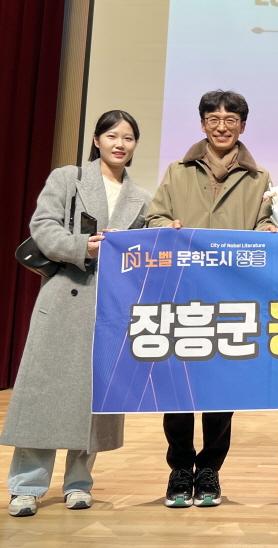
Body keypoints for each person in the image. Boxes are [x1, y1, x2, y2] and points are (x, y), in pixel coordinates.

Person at [0, 110, 151, 517]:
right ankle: (26, 486)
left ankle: (79, 483)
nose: (120, 144)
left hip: (111, 305)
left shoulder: (141, 198)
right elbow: (43, 226)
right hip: (65, 297)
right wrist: (84, 247)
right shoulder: (68, 178)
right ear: (97, 140)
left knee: (94, 397)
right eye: (112, 135)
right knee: (44, 393)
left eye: (129, 138)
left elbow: (145, 250)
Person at [146, 90, 277, 508]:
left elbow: (266, 224)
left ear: (243, 125)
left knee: (222, 390)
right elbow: (154, 216)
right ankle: (179, 469)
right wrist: (168, 225)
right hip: (181, 295)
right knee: (178, 389)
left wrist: (268, 231)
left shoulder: (260, 179)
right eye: (214, 119)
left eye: (230, 119)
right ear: (203, 124)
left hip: (231, 298)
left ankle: (209, 471)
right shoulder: (177, 171)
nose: (222, 127)